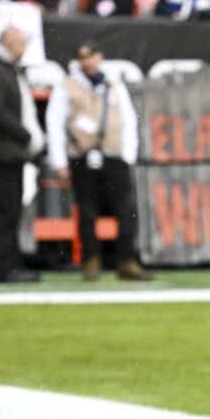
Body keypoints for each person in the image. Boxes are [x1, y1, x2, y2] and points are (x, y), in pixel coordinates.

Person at [45, 42, 151, 281]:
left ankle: (126, 260)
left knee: (125, 210)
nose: (87, 62)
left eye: (91, 56)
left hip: (114, 155)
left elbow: (127, 118)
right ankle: (91, 260)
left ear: (100, 57)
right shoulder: (67, 87)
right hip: (82, 155)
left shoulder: (113, 85)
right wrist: (59, 160)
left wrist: (128, 154)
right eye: (82, 57)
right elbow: (55, 123)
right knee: (87, 210)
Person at [0, 26, 44, 283]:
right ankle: (0, 268)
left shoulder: (3, 70)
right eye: (22, 43)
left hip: (9, 153)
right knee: (2, 212)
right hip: (0, 153)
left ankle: (9, 264)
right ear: (9, 43)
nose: (24, 49)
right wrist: (24, 135)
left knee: (9, 210)